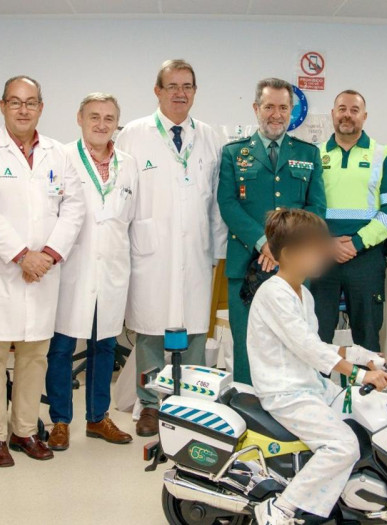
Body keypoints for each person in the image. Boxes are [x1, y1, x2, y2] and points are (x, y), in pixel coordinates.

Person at [0, 75, 85, 467]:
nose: (23, 109)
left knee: (35, 356)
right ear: (2, 106)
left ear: (41, 108)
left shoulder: (58, 154)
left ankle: (25, 431)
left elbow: (75, 208)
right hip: (2, 270)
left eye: (30, 102)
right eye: (15, 102)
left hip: (43, 273)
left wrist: (47, 255)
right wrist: (22, 256)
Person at [246, 209, 387, 525]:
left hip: (311, 385)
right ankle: (281, 508)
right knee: (343, 445)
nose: (322, 256)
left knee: (368, 414)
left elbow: (318, 345)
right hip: (287, 393)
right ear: (288, 254)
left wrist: (365, 356)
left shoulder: (303, 293)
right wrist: (359, 373)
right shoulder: (274, 294)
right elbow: (309, 349)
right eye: (314, 250)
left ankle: (348, 498)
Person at [116, 59, 226, 437]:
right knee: (150, 331)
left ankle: (191, 404)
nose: (180, 93)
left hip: (196, 249)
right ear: (157, 91)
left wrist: (218, 249)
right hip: (150, 250)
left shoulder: (210, 137)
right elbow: (121, 195)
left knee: (195, 331)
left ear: (195, 92)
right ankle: (150, 404)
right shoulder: (132, 134)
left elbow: (216, 201)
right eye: (172, 85)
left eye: (188, 86)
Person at [45, 93, 138, 451]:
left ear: (117, 123)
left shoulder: (128, 163)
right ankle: (60, 421)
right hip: (72, 266)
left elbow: (130, 219)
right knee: (62, 347)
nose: (102, 124)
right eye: (94, 116)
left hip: (112, 267)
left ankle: (98, 418)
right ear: (79, 118)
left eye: (109, 118)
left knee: (105, 346)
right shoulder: (61, 158)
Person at [219, 78, 327, 385]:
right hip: (247, 268)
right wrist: (265, 242)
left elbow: (316, 207)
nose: (276, 114)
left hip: (292, 270)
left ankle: (287, 412)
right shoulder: (233, 154)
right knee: (247, 345)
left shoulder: (308, 154)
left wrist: (284, 250)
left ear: (291, 111)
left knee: (293, 345)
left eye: (283, 107)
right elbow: (227, 204)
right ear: (256, 108)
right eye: (269, 107)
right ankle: (246, 408)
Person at [309, 90, 387, 353]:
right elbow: (306, 208)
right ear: (333, 114)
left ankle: (365, 393)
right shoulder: (314, 154)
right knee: (317, 332)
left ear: (365, 116)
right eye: (342, 108)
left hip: (366, 257)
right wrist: (326, 243)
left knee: (367, 332)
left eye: (354, 110)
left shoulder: (384, 155)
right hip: (321, 255)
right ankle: (319, 392)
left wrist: (357, 243)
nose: (347, 114)